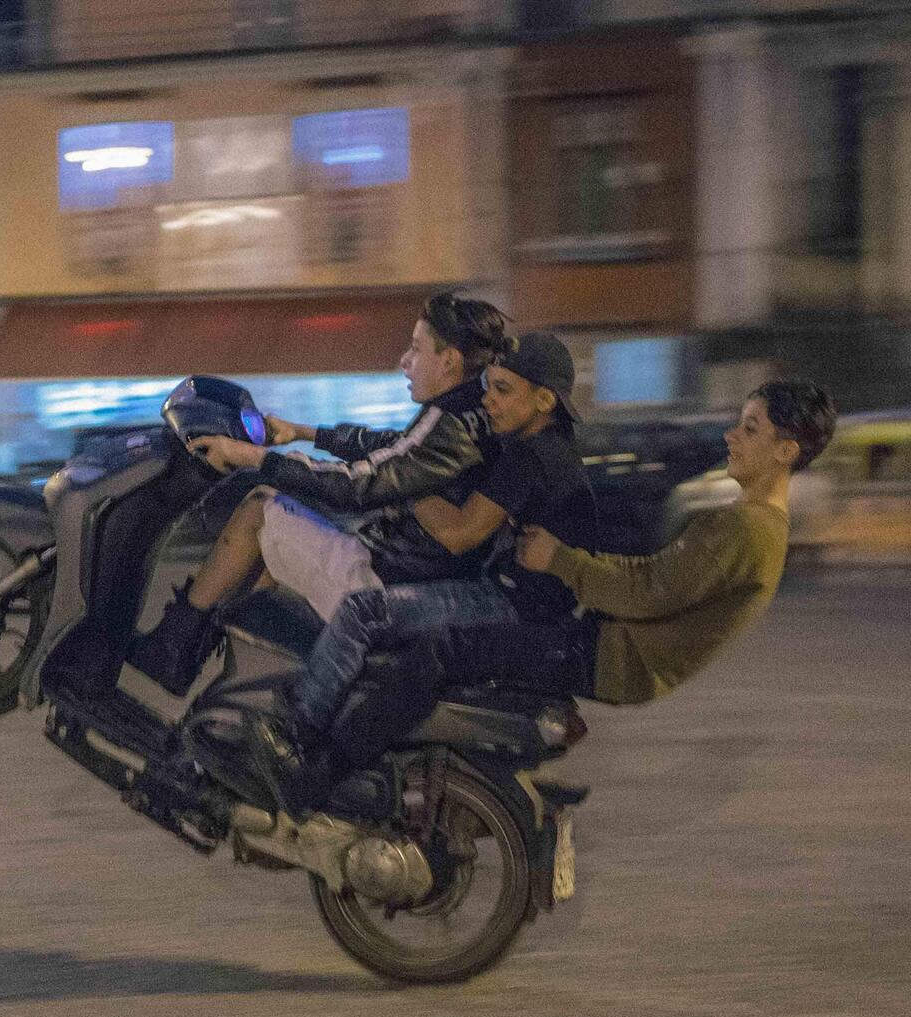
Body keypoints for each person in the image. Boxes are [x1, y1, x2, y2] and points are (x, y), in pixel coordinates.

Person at [247, 379, 839, 814]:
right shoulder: (753, 526)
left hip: (607, 653)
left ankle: (318, 774)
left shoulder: (747, 529)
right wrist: (573, 562)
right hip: (612, 646)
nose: (732, 436)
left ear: (786, 451)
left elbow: (652, 591)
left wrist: (561, 560)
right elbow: (653, 574)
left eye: (751, 429)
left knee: (438, 651)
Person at [125, 291, 509, 696]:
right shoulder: (472, 413)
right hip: (412, 570)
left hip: (386, 579)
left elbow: (357, 483)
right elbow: (389, 445)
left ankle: (171, 651)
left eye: (416, 348)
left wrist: (254, 457)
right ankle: (240, 680)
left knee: (260, 508)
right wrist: (303, 432)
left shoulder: (447, 421)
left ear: (448, 360)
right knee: (281, 534)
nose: (404, 361)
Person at [278, 331, 600, 744]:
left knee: (365, 612)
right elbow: (396, 445)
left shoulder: (533, 457)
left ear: (544, 401)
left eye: (503, 390)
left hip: (514, 607)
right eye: (488, 387)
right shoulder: (540, 447)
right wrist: (311, 434)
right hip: (520, 599)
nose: (488, 401)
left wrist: (406, 485)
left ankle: (298, 734)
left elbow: (460, 533)